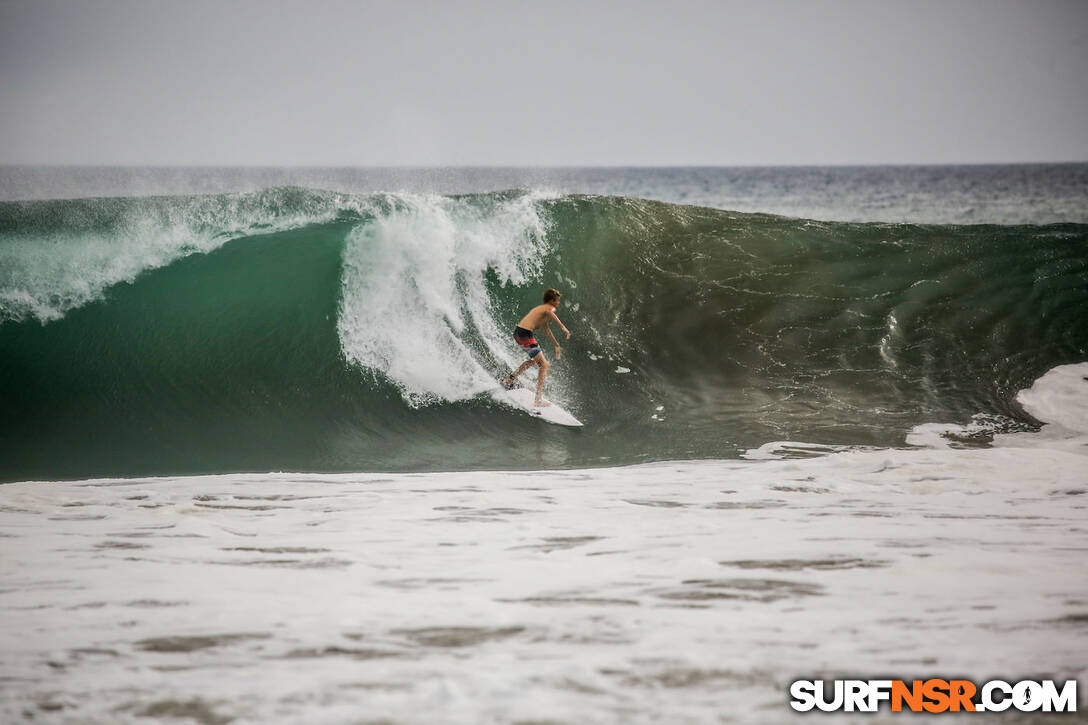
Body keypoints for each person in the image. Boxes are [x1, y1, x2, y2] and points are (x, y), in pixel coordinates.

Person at [502, 288, 571, 407]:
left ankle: (510, 379)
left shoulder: (541, 311)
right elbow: (550, 312)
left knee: (535, 360)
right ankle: (538, 400)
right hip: (525, 334)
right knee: (544, 365)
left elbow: (547, 330)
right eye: (557, 301)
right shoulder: (548, 308)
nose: (558, 303)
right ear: (551, 301)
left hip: (519, 333)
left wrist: (556, 344)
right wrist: (563, 327)